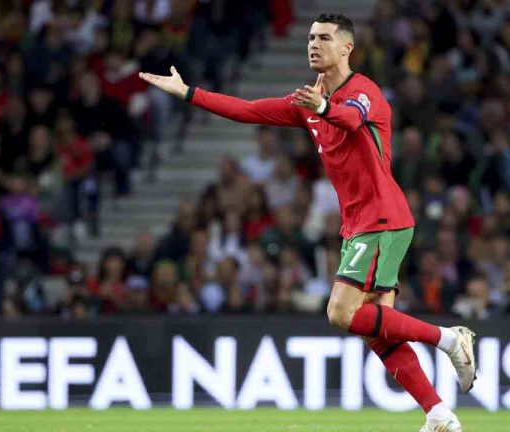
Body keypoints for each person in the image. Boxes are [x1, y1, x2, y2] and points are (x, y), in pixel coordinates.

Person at [139, 13, 475, 431]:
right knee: (377, 330)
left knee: (340, 312)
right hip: (360, 224)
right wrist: (188, 92)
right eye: (311, 37)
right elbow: (247, 110)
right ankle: (439, 414)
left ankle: (448, 339)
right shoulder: (308, 100)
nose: (314, 44)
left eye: (325, 38)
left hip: (383, 217)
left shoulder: (364, 91)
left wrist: (322, 106)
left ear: (347, 47)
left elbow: (351, 119)